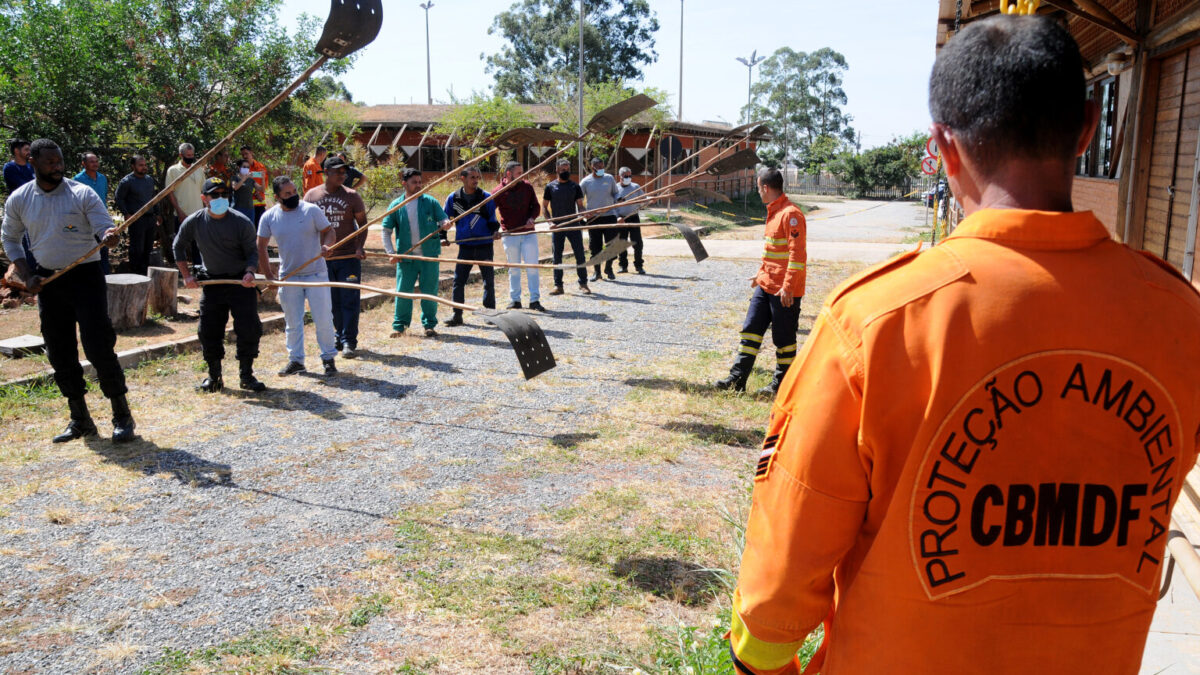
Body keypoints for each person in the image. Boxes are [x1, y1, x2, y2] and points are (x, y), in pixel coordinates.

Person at [727, 16, 1200, 675]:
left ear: (944, 148)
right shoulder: (1180, 317)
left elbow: (774, 602)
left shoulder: (878, 323)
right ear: (1090, 128)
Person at [0, 139, 136, 443]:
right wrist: (27, 274)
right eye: (50, 162)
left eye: (60, 161)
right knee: (59, 351)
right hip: (48, 283)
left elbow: (103, 226)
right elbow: (10, 239)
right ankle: (80, 419)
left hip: (86, 277)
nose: (58, 167)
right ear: (32, 162)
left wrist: (109, 235)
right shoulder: (20, 199)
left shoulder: (81, 193)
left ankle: (122, 415)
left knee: (99, 346)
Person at [714, 167, 806, 396]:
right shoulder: (773, 211)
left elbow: (797, 256)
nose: (758, 193)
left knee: (784, 340)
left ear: (765, 188)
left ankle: (782, 387)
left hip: (784, 290)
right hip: (766, 284)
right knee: (751, 330)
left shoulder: (790, 214)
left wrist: (787, 287)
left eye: (758, 188)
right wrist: (760, 273)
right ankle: (737, 380)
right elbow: (773, 253)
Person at [173, 178, 265, 393]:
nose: (221, 199)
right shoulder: (194, 221)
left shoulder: (241, 222)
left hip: (240, 283)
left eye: (225, 194)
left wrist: (250, 272)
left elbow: (253, 252)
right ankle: (214, 377)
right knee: (208, 331)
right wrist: (186, 276)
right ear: (204, 198)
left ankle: (247, 375)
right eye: (215, 195)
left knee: (249, 329)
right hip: (212, 283)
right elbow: (178, 246)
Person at [260, 175, 339, 376]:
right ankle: (296, 361)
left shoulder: (311, 210)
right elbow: (260, 247)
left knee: (323, 319)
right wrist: (270, 277)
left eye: (294, 191)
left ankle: (328, 359)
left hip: (316, 274)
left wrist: (327, 245)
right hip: (289, 277)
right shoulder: (269, 217)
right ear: (278, 196)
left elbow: (329, 232)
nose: (293, 196)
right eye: (287, 193)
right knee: (293, 322)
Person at [304, 155, 367, 358]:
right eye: (338, 171)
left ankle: (349, 341)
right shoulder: (311, 197)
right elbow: (305, 227)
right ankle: (339, 336)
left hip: (348, 257)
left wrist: (359, 247)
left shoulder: (352, 195)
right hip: (323, 260)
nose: (343, 175)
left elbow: (363, 225)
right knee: (331, 302)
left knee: (349, 299)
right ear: (326, 173)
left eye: (344, 172)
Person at [381, 167, 451, 337]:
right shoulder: (396, 205)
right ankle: (400, 326)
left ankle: (429, 325)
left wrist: (446, 223)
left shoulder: (430, 201)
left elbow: (443, 219)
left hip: (429, 255)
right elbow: (386, 230)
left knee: (429, 291)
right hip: (406, 257)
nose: (419, 185)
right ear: (404, 183)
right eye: (414, 183)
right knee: (403, 292)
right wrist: (391, 252)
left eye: (420, 182)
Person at [443, 166, 501, 327]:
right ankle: (457, 315)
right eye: (472, 177)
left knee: (488, 280)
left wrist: (495, 232)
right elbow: (443, 220)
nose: (476, 180)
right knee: (458, 281)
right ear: (463, 179)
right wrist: (443, 237)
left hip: (484, 245)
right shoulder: (453, 198)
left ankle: (490, 314)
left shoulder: (486, 198)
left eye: (477, 177)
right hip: (465, 246)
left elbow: (492, 221)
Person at [494, 160, 542, 309]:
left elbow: (536, 206)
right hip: (510, 234)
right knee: (514, 268)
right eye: (519, 173)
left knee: (532, 266)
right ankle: (515, 300)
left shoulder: (527, 187)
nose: (522, 176)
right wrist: (495, 228)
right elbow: (489, 213)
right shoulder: (498, 191)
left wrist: (531, 218)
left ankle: (534, 300)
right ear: (509, 174)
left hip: (528, 233)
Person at [543, 158, 589, 295]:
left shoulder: (575, 186)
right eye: (563, 170)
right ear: (557, 170)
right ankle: (558, 286)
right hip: (558, 227)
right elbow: (544, 208)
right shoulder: (550, 187)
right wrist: (550, 222)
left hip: (573, 225)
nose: (565, 172)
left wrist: (584, 214)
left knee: (580, 255)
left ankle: (583, 284)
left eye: (567, 170)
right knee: (557, 257)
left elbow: (580, 206)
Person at [114, 155, 161, 276]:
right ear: (133, 166)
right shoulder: (127, 181)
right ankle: (135, 273)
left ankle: (146, 273)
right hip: (136, 219)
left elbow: (153, 198)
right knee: (137, 248)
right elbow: (119, 198)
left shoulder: (149, 180)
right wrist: (126, 213)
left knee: (148, 247)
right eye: (140, 165)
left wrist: (157, 213)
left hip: (150, 218)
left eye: (145, 165)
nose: (144, 167)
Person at [579, 156, 621, 281]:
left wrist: (618, 199)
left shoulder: (609, 178)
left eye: (603, 167)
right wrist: (582, 214)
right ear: (592, 167)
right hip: (594, 218)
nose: (601, 169)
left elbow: (616, 192)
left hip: (610, 216)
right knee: (595, 247)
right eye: (599, 167)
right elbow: (579, 200)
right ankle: (597, 272)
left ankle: (609, 268)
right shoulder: (586, 182)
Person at [164, 143, 206, 265]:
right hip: (181, 214)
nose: (190, 157)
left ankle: (199, 269)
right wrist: (179, 211)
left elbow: (204, 190)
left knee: (198, 245)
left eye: (192, 155)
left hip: (198, 214)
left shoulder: (198, 169)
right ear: (180, 155)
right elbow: (170, 192)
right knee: (180, 245)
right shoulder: (173, 170)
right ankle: (182, 270)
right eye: (188, 155)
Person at [72, 152, 111, 273]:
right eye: (92, 162)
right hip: (85, 221)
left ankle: (105, 277)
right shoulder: (77, 180)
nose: (95, 164)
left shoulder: (102, 178)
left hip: (101, 220)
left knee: (103, 250)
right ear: (84, 164)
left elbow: (103, 197)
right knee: (87, 251)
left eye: (96, 161)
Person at [4, 139, 38, 270]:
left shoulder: (31, 166)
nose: (29, 152)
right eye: (26, 149)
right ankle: (29, 274)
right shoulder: (10, 168)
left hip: (36, 209)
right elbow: (22, 187)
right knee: (26, 244)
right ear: (17, 151)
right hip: (21, 211)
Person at [613, 166, 646, 274]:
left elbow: (644, 200)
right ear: (620, 176)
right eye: (626, 176)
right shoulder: (615, 189)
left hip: (633, 217)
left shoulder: (636, 187)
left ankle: (639, 265)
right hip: (621, 219)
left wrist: (648, 201)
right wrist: (617, 217)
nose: (628, 178)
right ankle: (623, 266)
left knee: (637, 243)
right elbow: (612, 206)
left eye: (630, 176)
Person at [239, 146, 269, 225]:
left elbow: (265, 183)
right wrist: (255, 193)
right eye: (242, 155)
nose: (244, 156)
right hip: (247, 205)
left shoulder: (261, 167)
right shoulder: (243, 168)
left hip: (260, 204)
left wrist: (260, 192)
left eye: (246, 154)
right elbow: (242, 185)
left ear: (251, 153)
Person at [230, 158, 257, 223]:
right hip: (238, 208)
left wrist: (263, 178)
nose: (246, 169)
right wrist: (243, 179)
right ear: (239, 167)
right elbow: (235, 187)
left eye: (248, 167)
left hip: (250, 208)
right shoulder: (234, 178)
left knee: (250, 229)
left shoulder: (250, 179)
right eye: (244, 167)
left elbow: (262, 189)